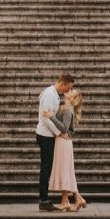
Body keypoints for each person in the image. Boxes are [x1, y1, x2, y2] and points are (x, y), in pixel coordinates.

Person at [36, 73, 74, 211]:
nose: (68, 91)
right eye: (67, 88)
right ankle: (43, 200)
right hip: (45, 135)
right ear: (62, 83)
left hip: (49, 135)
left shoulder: (55, 95)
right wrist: (60, 133)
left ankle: (44, 199)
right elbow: (45, 118)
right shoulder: (50, 95)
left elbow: (51, 116)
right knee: (45, 168)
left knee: (47, 167)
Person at [49, 88, 86, 212]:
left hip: (63, 143)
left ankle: (68, 200)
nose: (69, 91)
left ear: (72, 98)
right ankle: (72, 199)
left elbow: (64, 128)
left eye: (72, 92)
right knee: (66, 171)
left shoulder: (68, 110)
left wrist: (51, 117)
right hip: (63, 142)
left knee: (64, 171)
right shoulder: (65, 107)